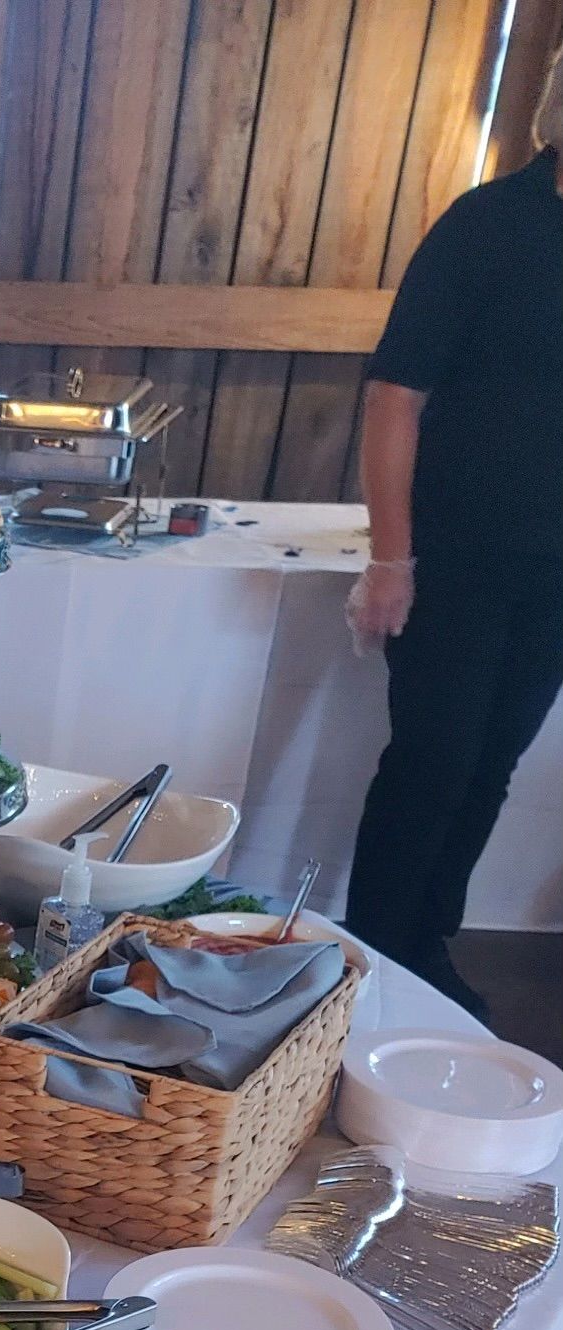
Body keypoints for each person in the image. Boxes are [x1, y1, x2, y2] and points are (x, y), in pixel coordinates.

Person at [345, 50, 563, 1019]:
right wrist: (390, 560)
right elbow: (395, 397)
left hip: (554, 573)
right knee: (431, 761)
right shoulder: (487, 227)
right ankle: (369, 962)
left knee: (489, 767)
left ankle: (424, 942)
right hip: (455, 559)